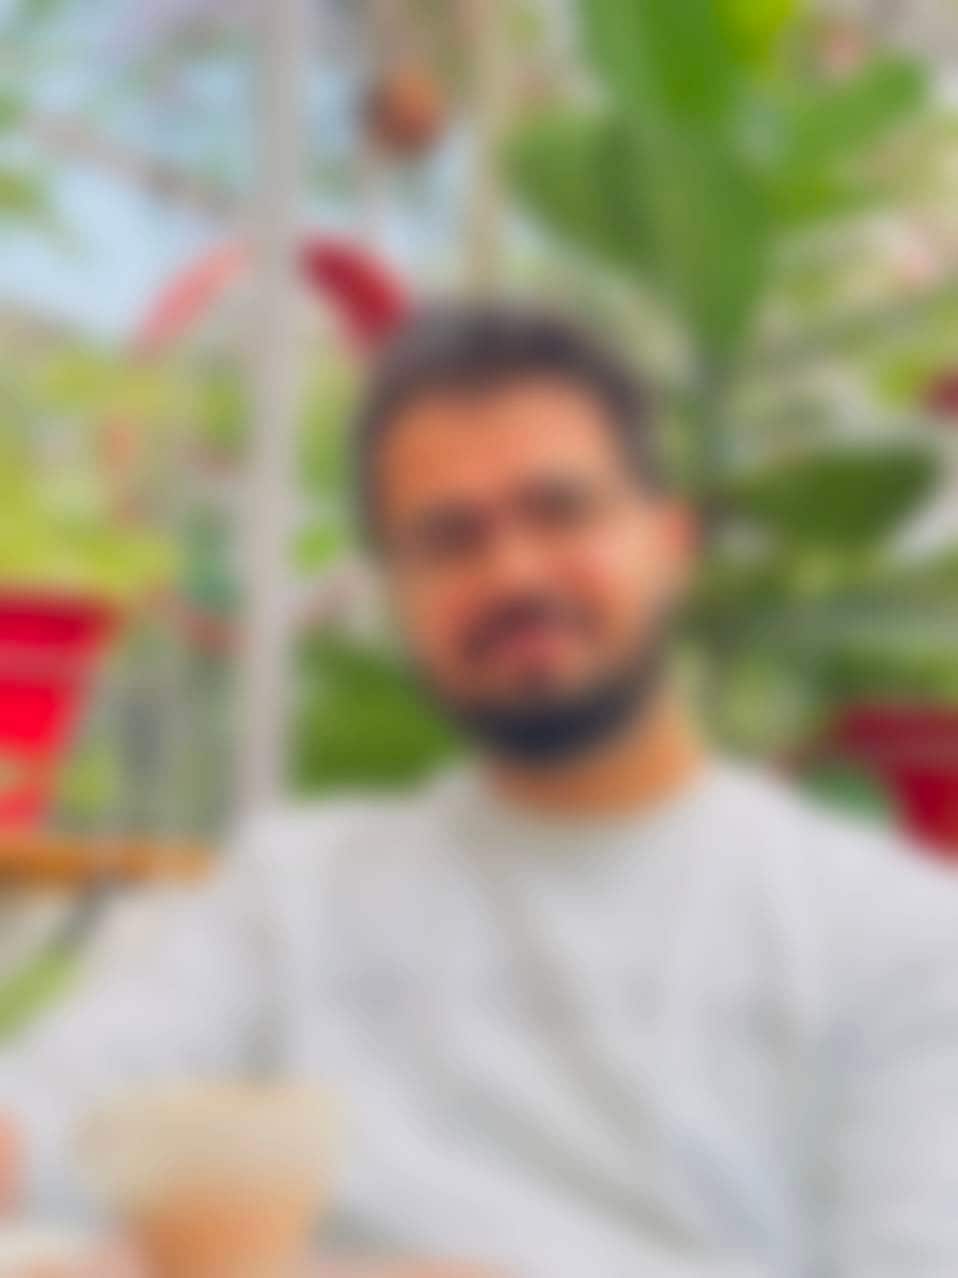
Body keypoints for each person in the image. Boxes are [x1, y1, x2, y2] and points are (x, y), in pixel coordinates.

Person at [2, 303, 958, 1278]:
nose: (514, 570)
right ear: (394, 593)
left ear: (671, 540)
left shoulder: (891, 935)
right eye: (449, 537)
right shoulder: (298, 888)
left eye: (561, 510)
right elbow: (60, 1109)